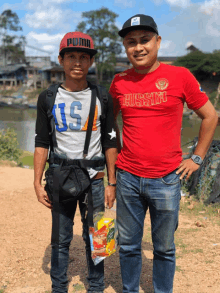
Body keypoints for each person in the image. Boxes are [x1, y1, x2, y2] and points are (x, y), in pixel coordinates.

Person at [109, 14, 218, 293]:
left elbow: (210, 116)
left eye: (145, 40)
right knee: (129, 246)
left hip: (167, 179)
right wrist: (111, 171)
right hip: (128, 178)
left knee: (165, 248)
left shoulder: (179, 76)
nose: (138, 47)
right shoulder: (119, 82)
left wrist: (196, 158)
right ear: (125, 47)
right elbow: (108, 127)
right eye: (131, 42)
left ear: (158, 42)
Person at [34, 31, 117, 293]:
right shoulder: (47, 97)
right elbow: (41, 142)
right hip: (60, 175)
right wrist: (36, 182)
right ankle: (58, 287)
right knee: (60, 238)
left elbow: (111, 142)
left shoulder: (103, 97)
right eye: (71, 56)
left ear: (91, 61)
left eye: (84, 57)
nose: (78, 62)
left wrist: (112, 182)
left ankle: (97, 286)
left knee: (100, 236)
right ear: (61, 60)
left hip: (95, 178)